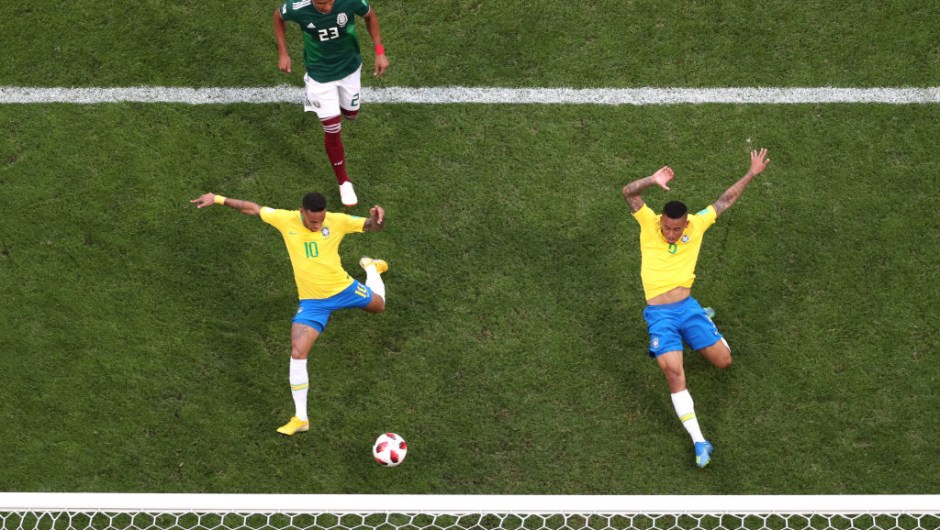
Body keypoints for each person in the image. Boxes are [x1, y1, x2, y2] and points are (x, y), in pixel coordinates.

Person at [191, 190, 389, 435]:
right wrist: (219, 199)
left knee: (379, 306)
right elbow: (252, 207)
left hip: (344, 289)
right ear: (301, 212)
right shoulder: (286, 220)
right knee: (298, 352)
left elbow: (370, 226)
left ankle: (371, 269)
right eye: (313, 220)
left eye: (321, 220)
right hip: (312, 303)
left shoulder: (335, 221)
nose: (318, 225)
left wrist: (378, 220)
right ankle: (301, 418)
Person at [622, 148, 771, 468]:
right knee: (674, 373)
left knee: (724, 362)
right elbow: (628, 193)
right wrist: (651, 179)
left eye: (677, 229)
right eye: (668, 228)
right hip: (659, 316)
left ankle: (704, 319)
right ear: (661, 220)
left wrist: (750, 174)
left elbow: (724, 201)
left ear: (685, 223)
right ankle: (699, 440)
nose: (671, 233)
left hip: (687, 308)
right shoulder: (649, 224)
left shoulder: (696, 225)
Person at [273, 0, 389, 208]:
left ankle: (345, 110)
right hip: (319, 76)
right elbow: (278, 17)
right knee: (333, 129)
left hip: (350, 69)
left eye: (327, 2)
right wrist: (283, 52)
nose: (325, 7)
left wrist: (379, 52)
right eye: (319, 3)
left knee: (351, 114)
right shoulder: (296, 8)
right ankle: (343, 181)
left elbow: (370, 15)